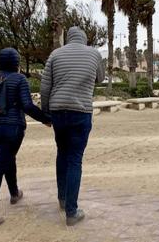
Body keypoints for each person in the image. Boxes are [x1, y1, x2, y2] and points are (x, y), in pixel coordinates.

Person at [40, 27, 105, 226]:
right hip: (81, 112)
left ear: (67, 39)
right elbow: (100, 78)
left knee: (62, 153)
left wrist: (46, 113)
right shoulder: (94, 54)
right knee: (75, 159)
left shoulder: (55, 54)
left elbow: (44, 86)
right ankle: (71, 211)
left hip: (58, 111)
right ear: (84, 39)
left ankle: (62, 198)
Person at [0, 48, 51, 228]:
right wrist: (46, 119)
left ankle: (14, 193)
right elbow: (27, 105)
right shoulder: (20, 79)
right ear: (17, 63)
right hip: (11, 128)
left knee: (6, 159)